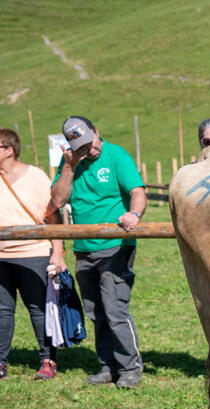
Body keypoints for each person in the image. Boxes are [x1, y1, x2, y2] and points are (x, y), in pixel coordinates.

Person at [50, 116, 146, 388]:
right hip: (84, 248)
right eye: (80, 147)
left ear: (96, 131)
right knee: (96, 311)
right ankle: (108, 365)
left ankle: (130, 368)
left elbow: (137, 191)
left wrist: (134, 213)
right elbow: (57, 200)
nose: (89, 151)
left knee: (116, 309)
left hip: (115, 246)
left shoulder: (116, 155)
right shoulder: (71, 163)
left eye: (90, 143)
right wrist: (69, 167)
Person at [0, 127, 64, 380]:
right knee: (2, 310)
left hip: (34, 253)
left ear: (9, 150)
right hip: (1, 256)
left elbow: (53, 216)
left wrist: (57, 252)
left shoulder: (36, 177)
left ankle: (48, 360)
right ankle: (1, 362)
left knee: (39, 308)